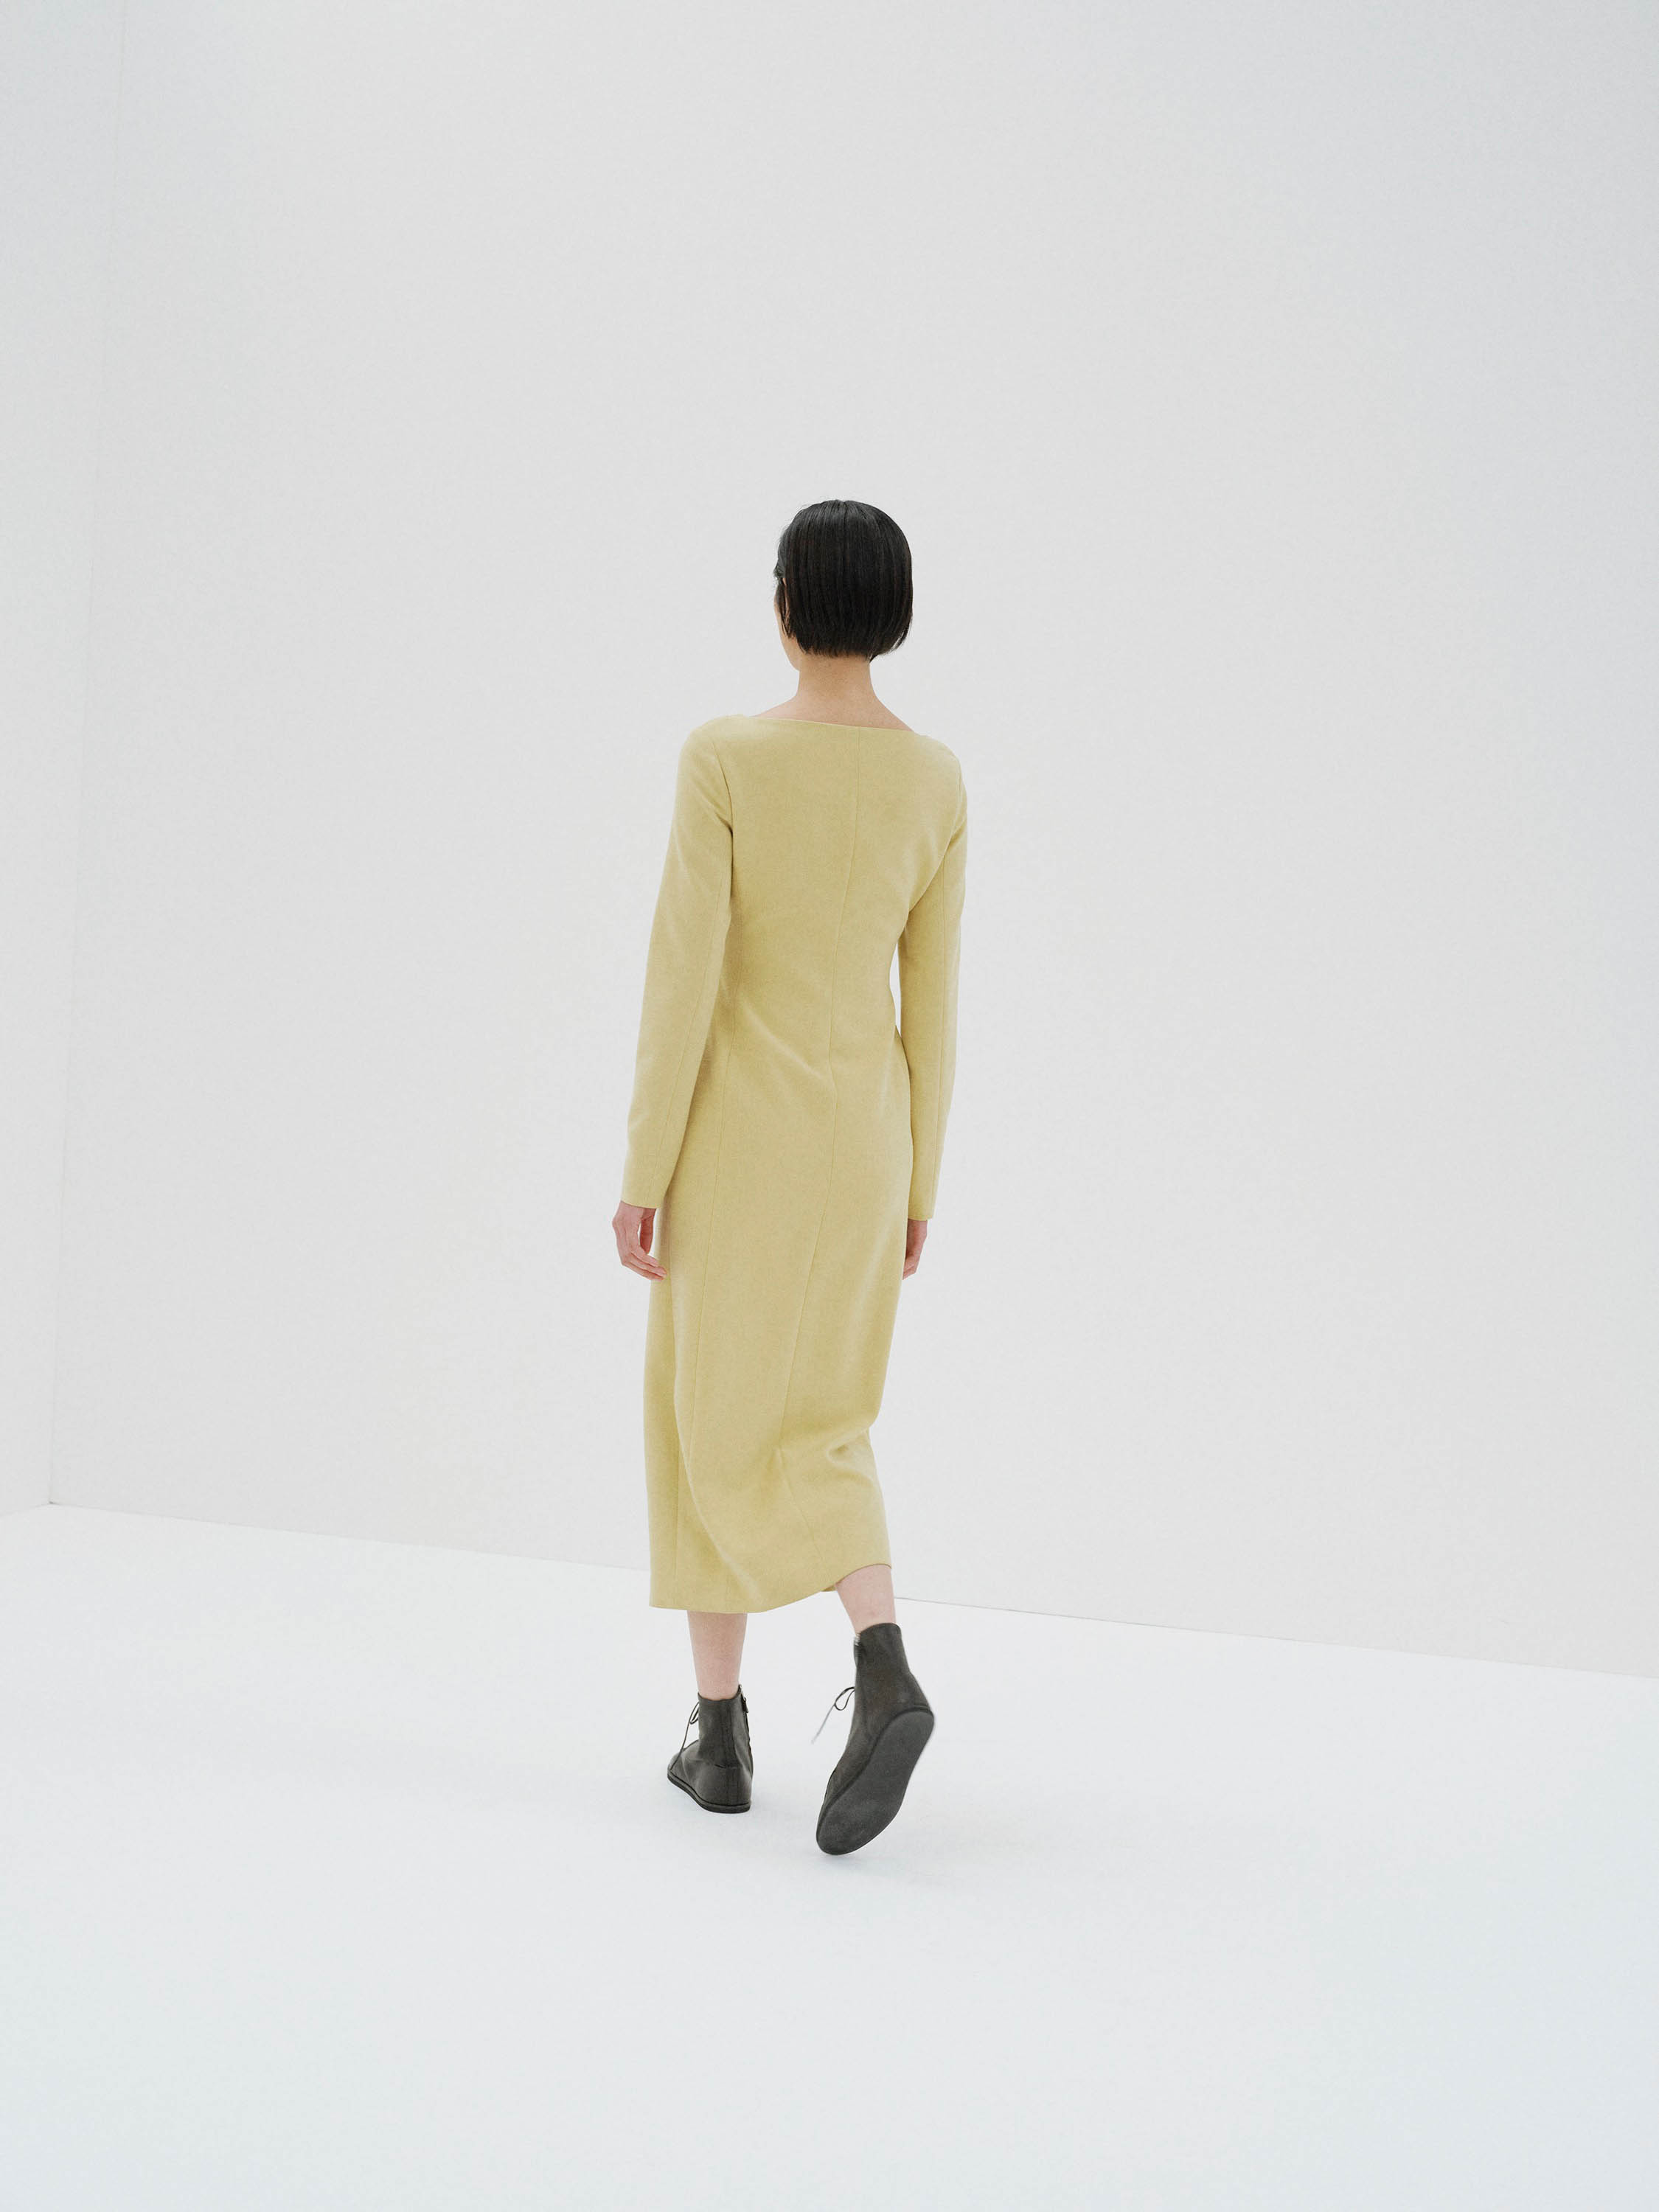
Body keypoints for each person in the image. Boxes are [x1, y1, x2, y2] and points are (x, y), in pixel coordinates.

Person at [611, 499, 967, 1854]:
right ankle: (880, 1659)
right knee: (825, 1421)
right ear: (894, 612)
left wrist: (644, 1167)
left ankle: (720, 1733)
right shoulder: (933, 781)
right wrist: (919, 1182)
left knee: (706, 1417)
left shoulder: (725, 759)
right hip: (866, 1140)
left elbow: (681, 979)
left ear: (783, 604)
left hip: (738, 1142)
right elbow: (932, 1006)